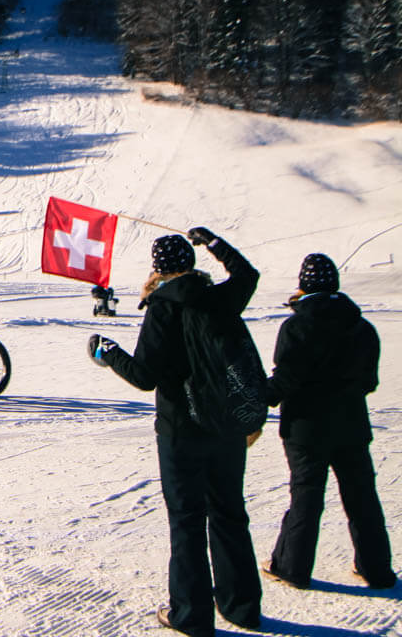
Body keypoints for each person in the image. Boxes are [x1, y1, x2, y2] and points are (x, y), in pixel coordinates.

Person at [88, 228, 261, 636]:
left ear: (157, 269)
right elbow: (248, 275)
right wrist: (215, 243)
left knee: (187, 520)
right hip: (226, 428)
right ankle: (242, 606)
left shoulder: (164, 307)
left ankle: (192, 614)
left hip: (182, 430)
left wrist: (109, 354)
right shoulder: (219, 298)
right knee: (229, 514)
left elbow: (146, 376)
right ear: (192, 263)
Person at [261, 253, 397, 591]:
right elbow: (370, 381)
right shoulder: (362, 326)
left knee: (306, 495)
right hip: (351, 422)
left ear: (303, 285)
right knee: (362, 495)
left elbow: (286, 377)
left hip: (306, 427)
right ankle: (376, 570)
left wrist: (260, 398)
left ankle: (292, 567)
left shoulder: (296, 326)